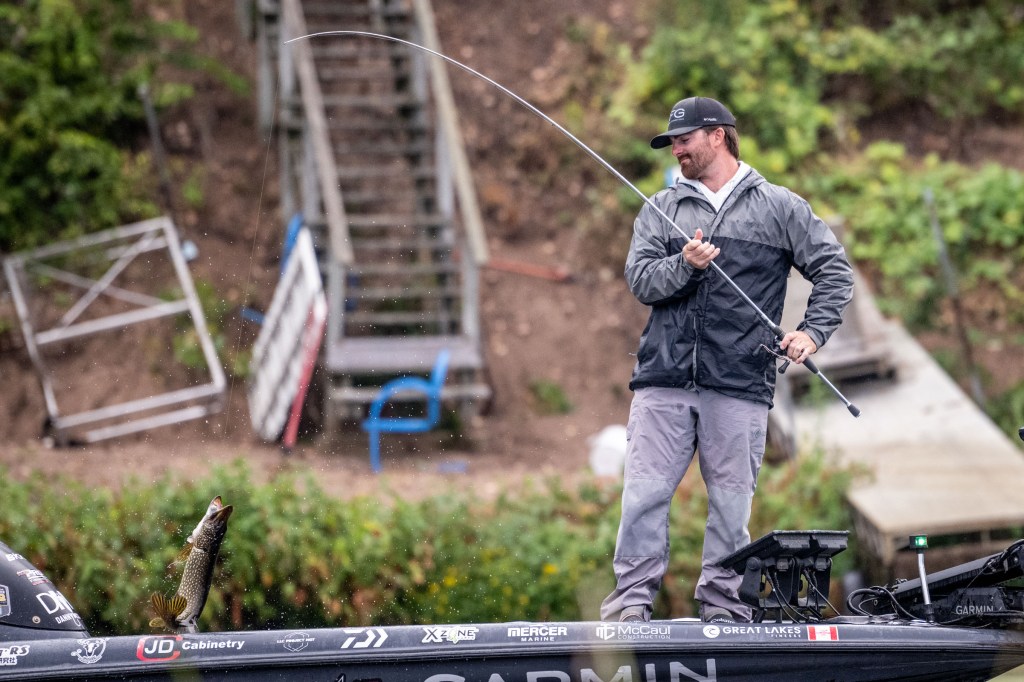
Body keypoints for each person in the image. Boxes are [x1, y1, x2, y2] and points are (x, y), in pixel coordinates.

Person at [600, 96, 854, 624]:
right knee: (643, 498)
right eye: (672, 143)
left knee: (731, 509)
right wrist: (685, 265)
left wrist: (811, 333)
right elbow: (641, 281)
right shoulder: (660, 208)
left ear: (718, 136)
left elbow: (834, 271)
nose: (677, 150)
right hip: (663, 379)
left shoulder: (781, 207)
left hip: (740, 382)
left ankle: (723, 608)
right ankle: (630, 608)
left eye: (684, 139)